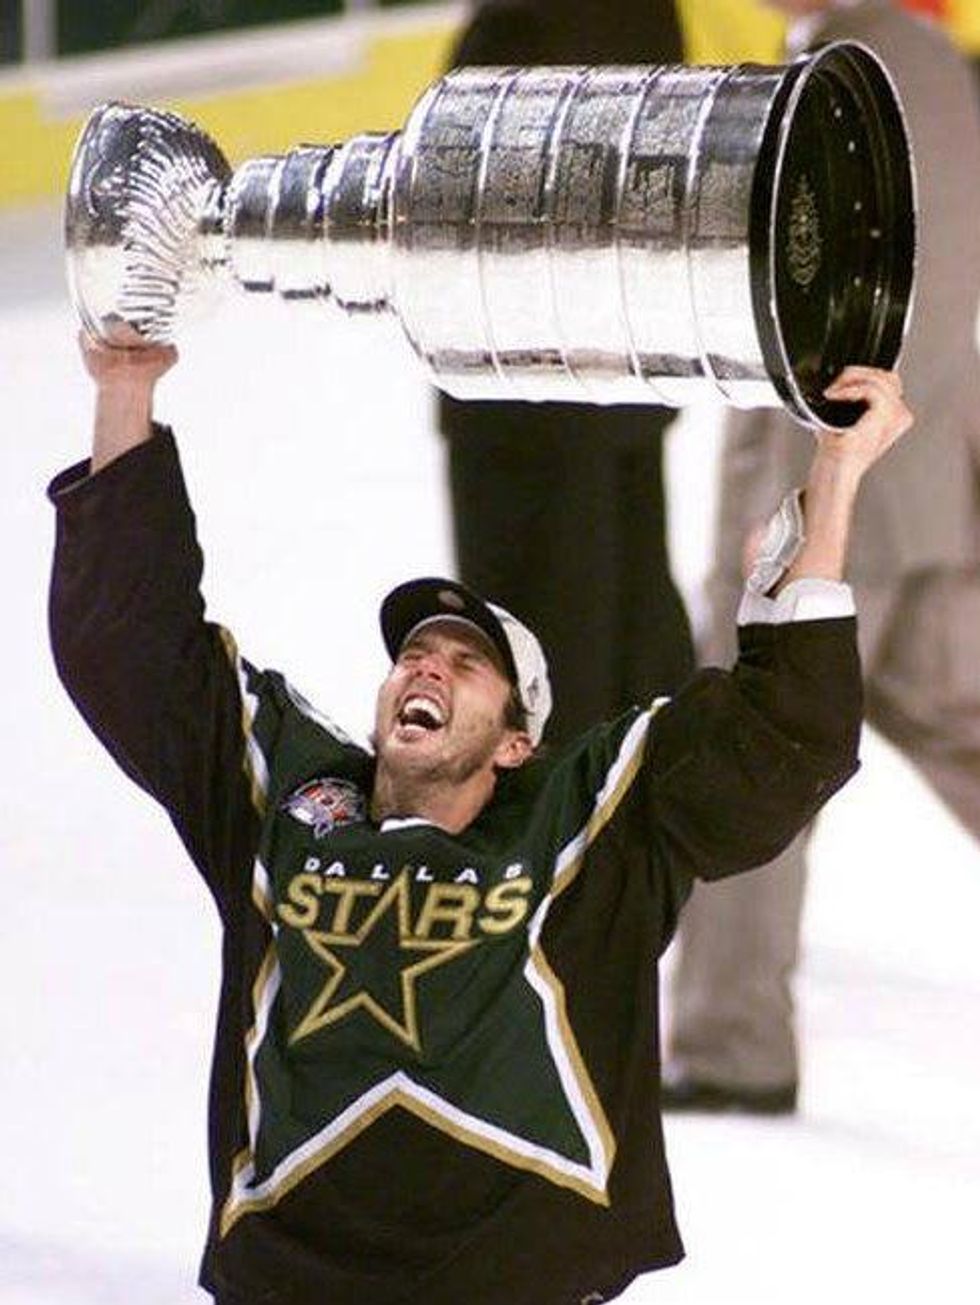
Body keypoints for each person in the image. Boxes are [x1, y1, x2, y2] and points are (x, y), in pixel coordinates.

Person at [49, 333, 910, 1303]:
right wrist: (125, 389)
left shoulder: (581, 822)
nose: (426, 668)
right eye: (415, 655)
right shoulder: (287, 800)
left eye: (466, 666)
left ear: (513, 742)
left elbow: (778, 737)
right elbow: (133, 645)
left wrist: (833, 476)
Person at [664, 0, 980, 1116]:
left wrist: (770, 524)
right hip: (930, 491)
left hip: (832, 505)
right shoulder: (940, 72)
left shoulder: (833, 81)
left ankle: (727, 1041)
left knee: (746, 761)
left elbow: (789, 324)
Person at [438, 0, 695, 747]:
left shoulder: (517, 31)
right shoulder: (645, 15)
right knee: (634, 663)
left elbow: (450, 222)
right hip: (621, 388)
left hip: (527, 413)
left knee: (548, 694)